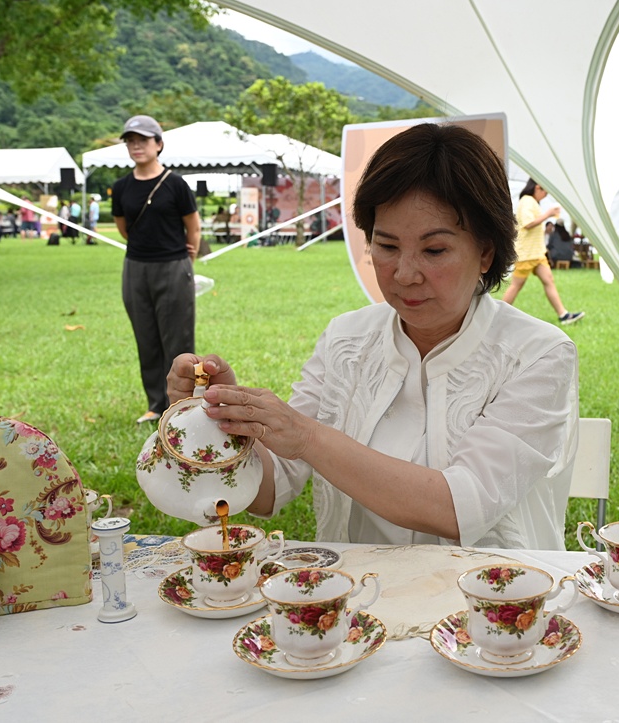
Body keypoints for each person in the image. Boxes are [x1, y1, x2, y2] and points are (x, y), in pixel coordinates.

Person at [164, 123, 579, 550]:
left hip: (493, 605)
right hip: (358, 602)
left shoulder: (537, 353)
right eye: (386, 246)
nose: (404, 274)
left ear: (486, 252)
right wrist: (223, 421)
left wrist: (305, 435)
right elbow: (272, 487)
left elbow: (459, 508)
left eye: (434, 251)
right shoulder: (347, 338)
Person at [112, 114, 201, 424]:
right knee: (146, 337)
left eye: (143, 140)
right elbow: (124, 229)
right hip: (136, 268)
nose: (136, 146)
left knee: (178, 339)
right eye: (130, 141)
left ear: (158, 144)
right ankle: (155, 404)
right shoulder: (121, 187)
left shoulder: (176, 184)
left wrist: (184, 256)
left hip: (174, 267)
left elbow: (193, 225)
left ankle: (183, 405)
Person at [501, 178, 584, 325]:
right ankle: (497, 316)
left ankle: (563, 315)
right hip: (527, 253)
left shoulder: (532, 202)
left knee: (548, 281)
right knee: (516, 285)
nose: (545, 196)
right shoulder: (527, 201)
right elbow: (527, 224)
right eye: (545, 192)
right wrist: (548, 214)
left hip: (537, 253)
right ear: (538, 187)